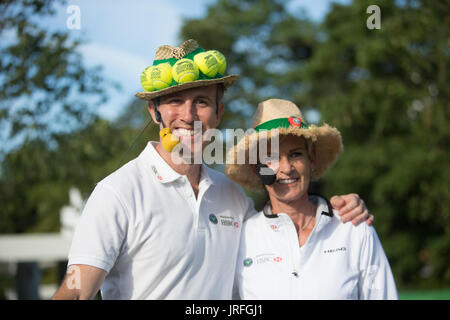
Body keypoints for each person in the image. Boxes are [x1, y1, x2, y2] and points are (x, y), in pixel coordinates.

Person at [52, 40, 373, 300]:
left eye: (202, 102)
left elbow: (287, 229)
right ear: (155, 112)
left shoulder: (234, 198)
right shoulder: (117, 193)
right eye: (174, 101)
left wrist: (338, 208)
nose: (188, 115)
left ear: (218, 113)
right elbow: (78, 291)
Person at [226, 98, 398, 299]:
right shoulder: (241, 239)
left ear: (312, 158)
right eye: (271, 158)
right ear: (257, 168)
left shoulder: (353, 227)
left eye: (296, 154)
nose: (287, 168)